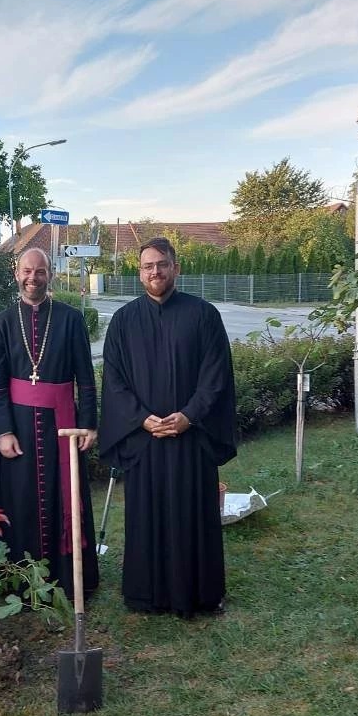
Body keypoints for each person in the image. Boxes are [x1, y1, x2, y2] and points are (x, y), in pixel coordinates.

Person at [99, 237, 237, 618]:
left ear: (176, 267)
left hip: (191, 439)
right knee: (147, 518)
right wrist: (141, 419)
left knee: (193, 516)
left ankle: (200, 595)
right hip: (146, 441)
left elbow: (216, 376)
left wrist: (189, 415)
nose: (155, 272)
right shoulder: (124, 322)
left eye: (162, 264)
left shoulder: (204, 315)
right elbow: (113, 380)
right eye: (147, 266)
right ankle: (147, 595)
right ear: (139, 272)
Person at [0, 247, 99, 599]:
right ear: (16, 273)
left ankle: (69, 577)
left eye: (40, 271)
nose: (32, 277)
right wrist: (3, 431)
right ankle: (21, 580)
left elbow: (86, 377)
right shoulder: (2, 322)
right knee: (20, 499)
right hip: (18, 428)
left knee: (64, 497)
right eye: (26, 271)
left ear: (50, 274)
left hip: (62, 427)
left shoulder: (69, 318)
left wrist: (90, 424)